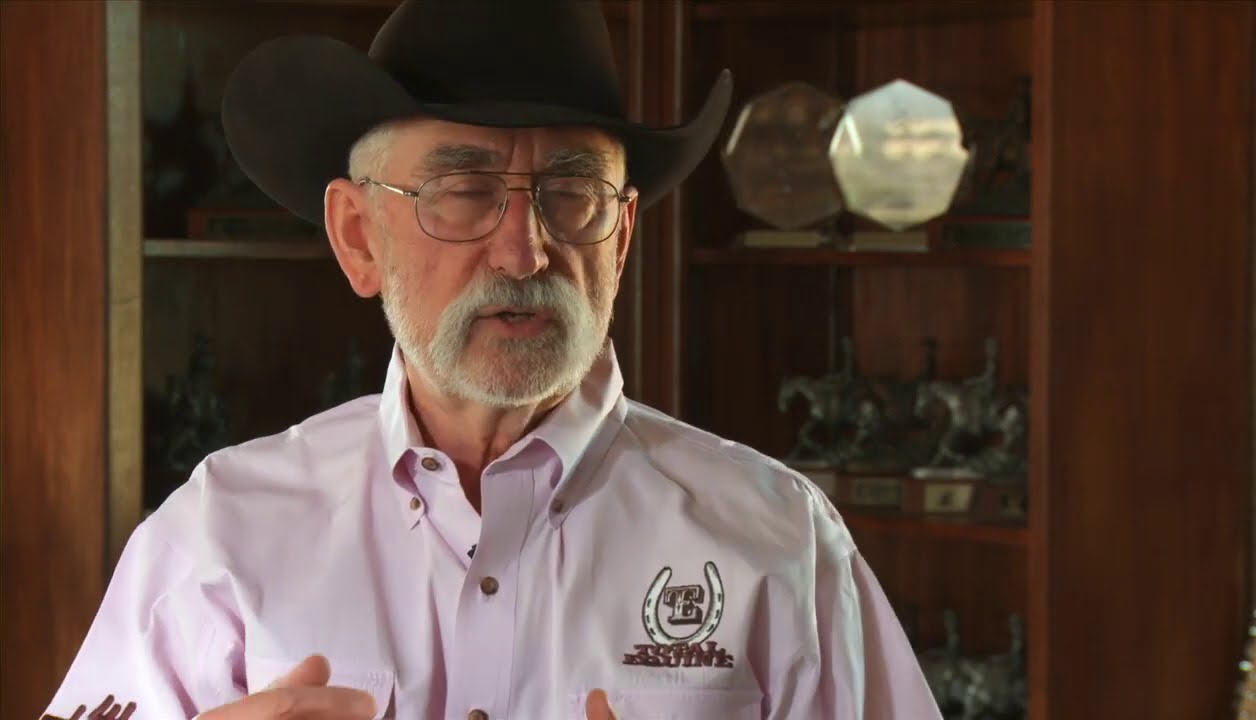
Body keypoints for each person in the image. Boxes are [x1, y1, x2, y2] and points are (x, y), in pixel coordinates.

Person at [42, 1, 941, 718]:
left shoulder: (779, 543)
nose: (524, 251)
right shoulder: (218, 537)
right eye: (464, 192)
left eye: (571, 194)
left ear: (621, 238)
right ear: (358, 237)